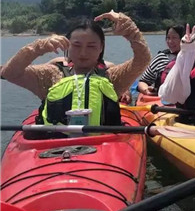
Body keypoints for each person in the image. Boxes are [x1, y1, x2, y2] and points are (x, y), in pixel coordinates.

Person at [1, 11, 151, 126]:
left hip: (103, 147)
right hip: (54, 148)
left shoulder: (112, 77)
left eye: (91, 46)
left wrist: (129, 28)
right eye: (77, 45)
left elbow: (142, 59)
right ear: (67, 45)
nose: (83, 53)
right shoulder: (51, 74)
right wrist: (38, 47)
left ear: (101, 48)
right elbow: (9, 73)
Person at [137, 24, 185, 96]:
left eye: (174, 38)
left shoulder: (193, 59)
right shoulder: (161, 58)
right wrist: (146, 90)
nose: (170, 41)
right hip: (162, 100)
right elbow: (143, 81)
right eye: (168, 38)